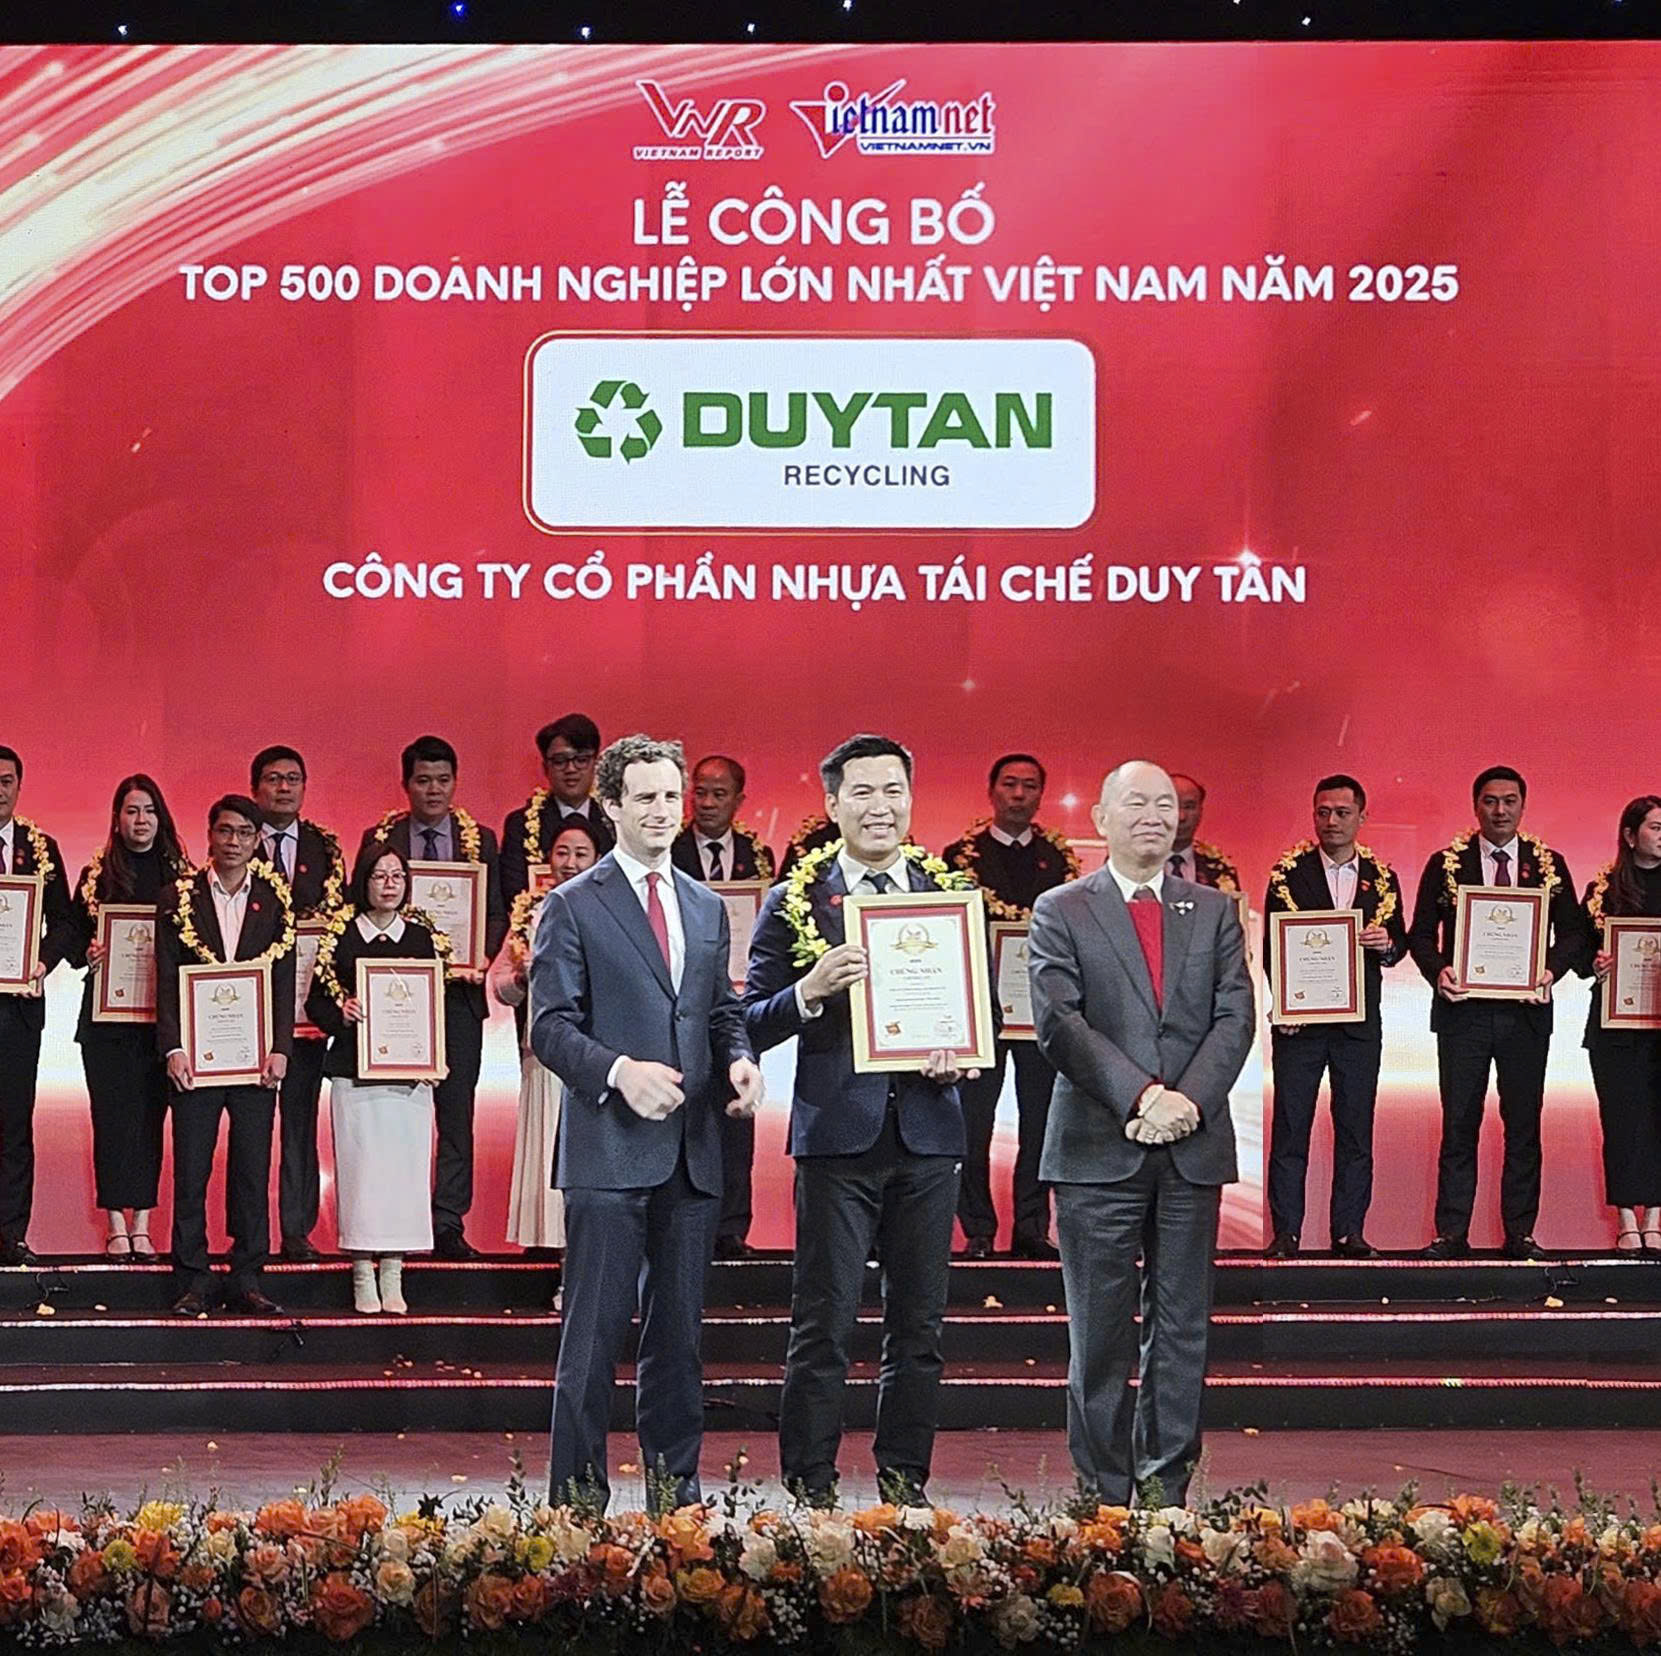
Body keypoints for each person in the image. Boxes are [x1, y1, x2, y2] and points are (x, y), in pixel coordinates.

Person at [530, 735, 761, 1511]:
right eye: (646, 798)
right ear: (611, 806)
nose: (663, 811)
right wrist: (619, 1073)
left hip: (691, 1155)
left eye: (671, 796)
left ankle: (675, 1500)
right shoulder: (571, 904)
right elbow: (549, 1028)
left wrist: (738, 1061)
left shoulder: (704, 904)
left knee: (678, 1343)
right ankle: (576, 1508)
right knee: (591, 1341)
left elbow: (720, 1011)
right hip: (607, 1153)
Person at [745, 733, 971, 1506]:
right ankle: (810, 1487)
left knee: (920, 1329)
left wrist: (962, 1054)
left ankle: (905, 1486)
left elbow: (980, 1012)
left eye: (893, 791)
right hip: (837, 1140)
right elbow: (747, 1020)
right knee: (824, 1325)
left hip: (928, 1135)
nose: (880, 807)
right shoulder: (795, 899)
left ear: (911, 799)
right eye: (863, 792)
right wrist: (808, 991)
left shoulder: (945, 891)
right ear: (832, 803)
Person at [1031, 759, 1254, 1507]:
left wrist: (1186, 1100)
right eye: (1136, 803)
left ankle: (1166, 1496)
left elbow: (1235, 1016)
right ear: (1100, 819)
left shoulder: (1213, 910)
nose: (1154, 816)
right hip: (1098, 1146)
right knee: (1098, 1333)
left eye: (1165, 804)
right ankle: (1102, 1493)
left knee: (1182, 1329)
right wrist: (1144, 1095)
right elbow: (1059, 1023)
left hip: (1191, 1145)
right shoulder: (1061, 909)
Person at [1406, 765, 1586, 1259]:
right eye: (1490, 801)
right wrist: (1439, 971)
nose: (1500, 810)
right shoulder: (1447, 863)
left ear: (1523, 806)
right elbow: (1420, 934)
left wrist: (1549, 971)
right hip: (1462, 1014)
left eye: (1509, 801)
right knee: (1458, 1124)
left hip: (1525, 1015)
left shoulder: (1549, 864)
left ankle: (1520, 1234)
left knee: (1523, 1125)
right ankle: (1451, 1234)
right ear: (1475, 806)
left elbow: (1574, 933)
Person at [361, 735, 507, 1258]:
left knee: (456, 1113)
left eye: (443, 780)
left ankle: (448, 1221)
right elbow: (363, 910)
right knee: (396, 1113)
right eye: (423, 780)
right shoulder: (380, 838)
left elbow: (495, 911)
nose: (433, 790)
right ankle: (396, 1221)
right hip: (399, 999)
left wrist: (481, 953)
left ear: (455, 782)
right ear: (406, 785)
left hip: (459, 999)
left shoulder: (481, 841)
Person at [157, 794, 296, 1316]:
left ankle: (247, 1276)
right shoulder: (178, 897)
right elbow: (165, 976)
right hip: (196, 1057)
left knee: (252, 1169)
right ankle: (192, 1278)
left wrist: (281, 1047)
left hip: (256, 1059)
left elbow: (283, 979)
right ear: (210, 835)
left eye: (244, 833)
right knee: (191, 1169)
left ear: (258, 841)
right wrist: (173, 1046)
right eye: (225, 831)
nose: (233, 842)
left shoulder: (274, 900)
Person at [1262, 775, 1409, 1258]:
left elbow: (1399, 945)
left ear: (1362, 817)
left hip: (1358, 1025)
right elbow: (1273, 946)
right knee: (1290, 1127)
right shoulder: (1288, 874)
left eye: (1342, 813)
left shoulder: (1382, 878)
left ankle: (1349, 1232)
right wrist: (1284, 1001)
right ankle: (1286, 1233)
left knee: (1355, 1129)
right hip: (1300, 1023)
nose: (1331, 821)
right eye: (1322, 812)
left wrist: (1386, 944)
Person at [944, 752, 1078, 1260]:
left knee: (1041, 1120)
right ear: (991, 791)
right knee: (972, 1121)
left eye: (1029, 786)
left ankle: (1031, 1227)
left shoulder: (1059, 860)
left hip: (1041, 1011)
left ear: (1042, 794)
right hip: (981, 1008)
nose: (1019, 795)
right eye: (1009, 784)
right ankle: (977, 1227)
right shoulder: (961, 857)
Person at [305, 844, 445, 1314]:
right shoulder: (342, 936)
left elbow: (433, 1004)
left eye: (397, 876)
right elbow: (315, 1003)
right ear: (363, 881)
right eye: (380, 875)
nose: (389, 884)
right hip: (355, 1075)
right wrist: (340, 1012)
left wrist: (433, 1055)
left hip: (409, 1077)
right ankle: (363, 1269)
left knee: (404, 1174)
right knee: (362, 1172)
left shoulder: (421, 938)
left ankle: (395, 1270)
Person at [65, 774, 189, 1259]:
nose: (141, 820)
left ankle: (144, 1223)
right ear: (117, 819)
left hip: (161, 1024)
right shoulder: (96, 875)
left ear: (162, 818)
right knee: (112, 1120)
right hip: (107, 1023)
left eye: (150, 810)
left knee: (151, 1121)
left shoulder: (183, 878)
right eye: (132, 810)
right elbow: (72, 937)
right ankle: (116, 1222)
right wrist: (89, 951)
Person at [671, 753, 775, 1259]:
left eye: (719, 794)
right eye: (701, 792)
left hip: (740, 1002)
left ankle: (732, 1226)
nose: (708, 803)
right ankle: (683, 1223)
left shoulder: (759, 857)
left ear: (739, 800)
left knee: (738, 1113)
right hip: (682, 1001)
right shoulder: (669, 852)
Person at [251, 745, 346, 1262]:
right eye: (273, 779)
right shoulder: (239, 840)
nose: (284, 788)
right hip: (249, 1014)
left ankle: (296, 1231)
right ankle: (251, 1233)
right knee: (252, 1126)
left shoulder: (324, 849)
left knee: (300, 1123)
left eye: (293, 779)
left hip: (306, 1014)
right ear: (255, 789)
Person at [492, 817, 599, 1253]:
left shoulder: (610, 908)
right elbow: (500, 984)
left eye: (581, 854)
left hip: (593, 1058)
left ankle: (583, 1252)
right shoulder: (530, 911)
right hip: (541, 1056)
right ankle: (549, 1250)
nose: (570, 863)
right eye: (562, 853)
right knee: (546, 1151)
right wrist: (520, 977)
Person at [0, 746, 74, 1267]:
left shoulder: (41, 849)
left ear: (19, 787)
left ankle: (10, 1235)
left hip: (20, 1007)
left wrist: (41, 962)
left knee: (13, 1124)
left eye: (6, 780)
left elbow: (66, 922)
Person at [1578, 796, 1661, 1252]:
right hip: (1616, 1025)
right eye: (1655, 827)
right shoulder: (1603, 890)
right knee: (1622, 1120)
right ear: (1630, 836)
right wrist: (1597, 964)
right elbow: (1577, 956)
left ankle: (1657, 1218)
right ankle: (1627, 1216)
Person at [501, 714, 612, 910]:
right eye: (560, 761)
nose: (571, 769)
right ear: (546, 768)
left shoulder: (615, 820)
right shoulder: (520, 825)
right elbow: (514, 894)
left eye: (581, 760)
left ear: (596, 764)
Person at [1164, 772, 1241, 892]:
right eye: (1171, 806)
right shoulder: (1135, 865)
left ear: (1200, 811)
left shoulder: (1219, 868)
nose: (1181, 816)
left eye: (1189, 807)